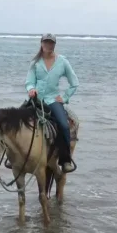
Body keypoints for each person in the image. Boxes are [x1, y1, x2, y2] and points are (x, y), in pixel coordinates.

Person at [25, 33, 79, 173]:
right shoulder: (35, 62)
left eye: (51, 43)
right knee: (16, 120)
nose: (48, 45)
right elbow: (30, 82)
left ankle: (65, 160)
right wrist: (31, 89)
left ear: (54, 44)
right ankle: (14, 158)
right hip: (36, 100)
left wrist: (65, 97)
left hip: (52, 100)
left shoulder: (62, 61)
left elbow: (74, 83)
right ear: (41, 44)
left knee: (63, 125)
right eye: (46, 42)